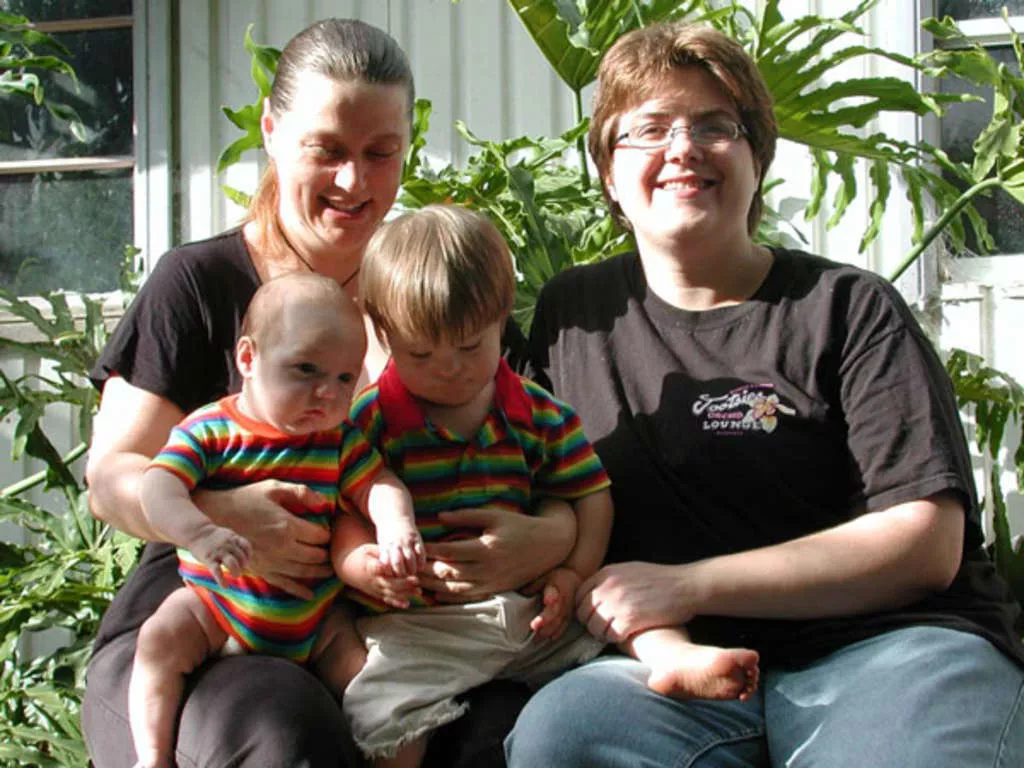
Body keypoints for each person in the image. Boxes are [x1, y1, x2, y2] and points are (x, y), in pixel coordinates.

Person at [505, 21, 1024, 768]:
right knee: (564, 734)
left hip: (889, 652)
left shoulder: (846, 307)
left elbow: (924, 542)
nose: (682, 148)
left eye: (715, 126)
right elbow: (510, 460)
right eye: (648, 129)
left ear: (757, 159)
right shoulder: (573, 317)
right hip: (678, 674)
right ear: (609, 174)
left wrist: (687, 585)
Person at [83, 18, 576, 768]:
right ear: (274, 133)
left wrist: (553, 539)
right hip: (209, 618)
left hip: (395, 633)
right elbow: (110, 476)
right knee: (282, 733)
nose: (355, 182)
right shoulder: (201, 283)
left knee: (500, 737)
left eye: (381, 154)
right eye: (329, 151)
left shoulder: (434, 288)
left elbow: (541, 451)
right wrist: (219, 514)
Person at [336, 203, 759, 767]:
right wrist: (361, 564)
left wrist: (573, 572)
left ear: (501, 318)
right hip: (425, 626)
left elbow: (591, 494)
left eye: (470, 347)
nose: (451, 369)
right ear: (383, 333)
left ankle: (674, 660)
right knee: (381, 711)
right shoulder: (369, 422)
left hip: (535, 614)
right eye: (421, 353)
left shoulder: (537, 413)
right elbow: (343, 508)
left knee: (620, 603)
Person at [129, 273, 427, 768]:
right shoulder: (212, 430)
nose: (326, 394)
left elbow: (380, 485)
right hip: (218, 607)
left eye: (344, 378)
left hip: (318, 621)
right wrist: (200, 532)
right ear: (248, 358)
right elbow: (157, 486)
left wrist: (397, 526)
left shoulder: (339, 441)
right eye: (306, 369)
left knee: (390, 696)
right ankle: (152, 757)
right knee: (160, 639)